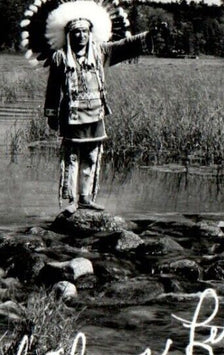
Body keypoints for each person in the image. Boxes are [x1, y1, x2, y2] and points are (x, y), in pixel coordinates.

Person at [43, 17, 148, 212]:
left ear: (90, 33)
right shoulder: (61, 57)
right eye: (76, 32)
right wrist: (51, 114)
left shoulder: (100, 52)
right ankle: (72, 200)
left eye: (84, 31)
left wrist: (150, 36)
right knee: (72, 158)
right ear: (69, 35)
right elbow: (53, 88)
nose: (81, 35)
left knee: (92, 157)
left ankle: (86, 198)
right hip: (71, 116)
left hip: (95, 114)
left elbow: (124, 46)